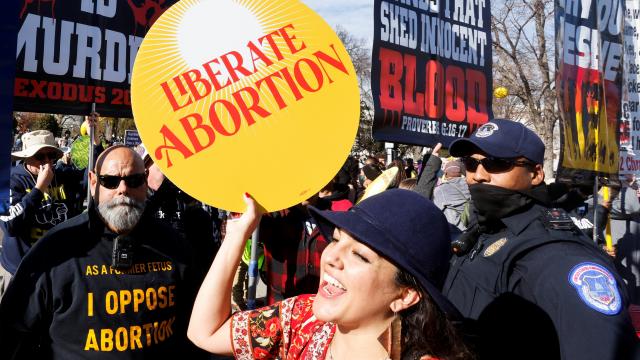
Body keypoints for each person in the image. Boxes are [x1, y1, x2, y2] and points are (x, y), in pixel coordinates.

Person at [187, 189, 473, 360]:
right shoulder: (301, 318)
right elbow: (205, 333)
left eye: (360, 255)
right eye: (335, 240)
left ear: (406, 295)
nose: (332, 258)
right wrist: (237, 235)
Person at [442, 119, 639, 359]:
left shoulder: (560, 258)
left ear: (535, 174)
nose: (478, 175)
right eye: (470, 164)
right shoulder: (485, 230)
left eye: (496, 163)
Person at [0, 145, 205, 359]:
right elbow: (12, 333)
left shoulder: (175, 245)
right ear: (93, 182)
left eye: (133, 180)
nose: (123, 189)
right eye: (110, 181)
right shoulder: (53, 250)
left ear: (145, 181)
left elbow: (197, 328)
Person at [0, 127, 98, 297]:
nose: (46, 162)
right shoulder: (12, 180)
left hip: (58, 265)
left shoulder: (61, 175)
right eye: (39, 156)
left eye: (51, 156)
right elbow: (10, 225)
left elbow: (92, 178)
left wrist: (95, 141)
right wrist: (39, 188)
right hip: (22, 269)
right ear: (26, 158)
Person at [433, 159, 470, 231]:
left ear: (446, 173)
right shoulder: (470, 184)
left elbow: (435, 212)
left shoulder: (440, 190)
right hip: (474, 222)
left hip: (458, 230)